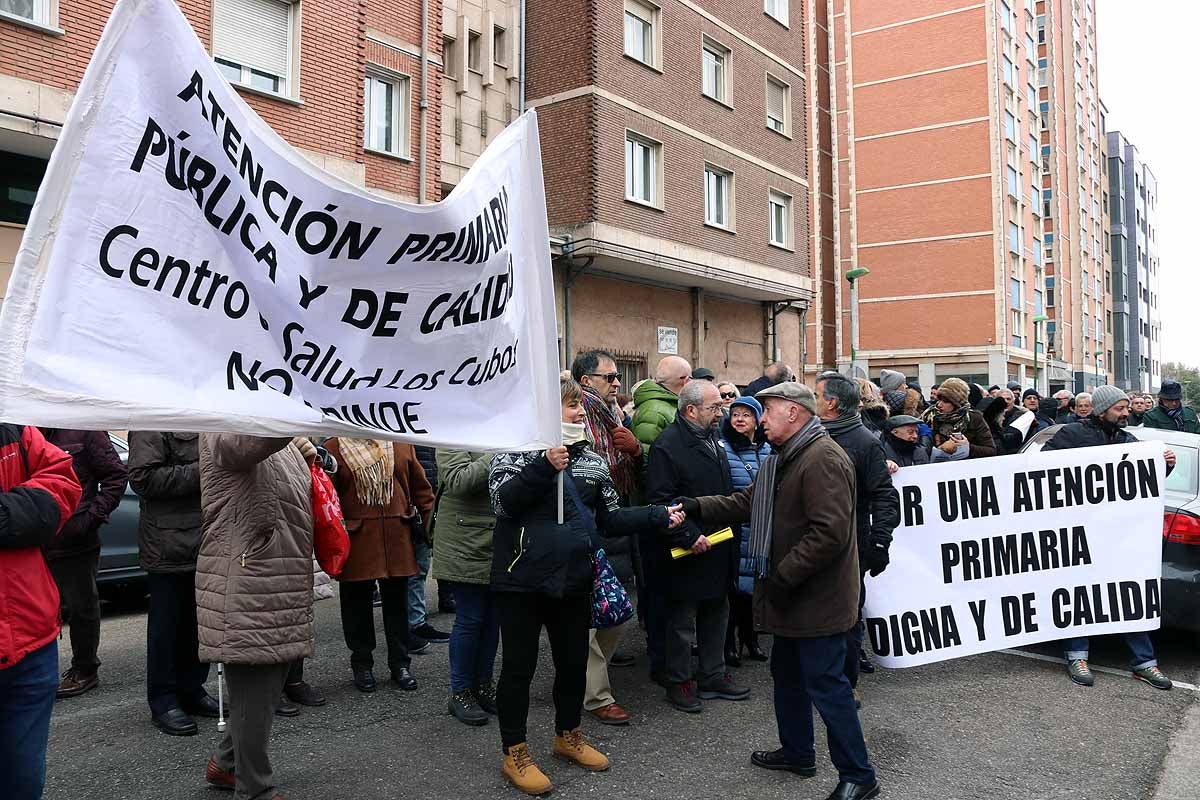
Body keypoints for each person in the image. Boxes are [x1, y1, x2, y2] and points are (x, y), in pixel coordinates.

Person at [677, 382, 881, 800]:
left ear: (792, 412)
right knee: (786, 676)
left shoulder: (822, 458)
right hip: (793, 596)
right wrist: (696, 505)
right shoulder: (784, 458)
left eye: (767, 410)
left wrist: (782, 577)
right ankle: (797, 753)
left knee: (827, 686)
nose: (760, 418)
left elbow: (829, 534)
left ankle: (860, 776)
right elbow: (746, 501)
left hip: (815, 598)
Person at [488, 379, 682, 795]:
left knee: (574, 664)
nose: (579, 413)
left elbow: (610, 519)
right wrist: (543, 465)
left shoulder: (591, 461)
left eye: (578, 405)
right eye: (571, 406)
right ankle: (516, 751)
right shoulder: (512, 453)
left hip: (575, 580)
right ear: (542, 410)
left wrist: (656, 514)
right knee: (518, 669)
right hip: (520, 582)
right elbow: (503, 504)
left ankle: (568, 735)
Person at [198, 435, 319, 798]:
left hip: (278, 576)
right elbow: (238, 446)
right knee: (256, 685)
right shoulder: (222, 419)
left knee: (264, 688)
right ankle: (255, 790)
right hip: (251, 577)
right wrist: (291, 418)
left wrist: (309, 451)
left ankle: (227, 763)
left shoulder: (280, 435)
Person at [1040, 386, 1176, 691]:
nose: (1126, 413)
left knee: (1128, 594)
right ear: (1102, 410)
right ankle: (1077, 656)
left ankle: (1144, 663)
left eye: (1127, 408)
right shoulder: (1070, 435)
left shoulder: (1130, 441)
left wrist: (1165, 465)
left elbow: (1145, 484)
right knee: (1078, 595)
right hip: (1078, 534)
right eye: (1119, 409)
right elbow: (1041, 473)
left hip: (1118, 537)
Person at [646, 380, 749, 713]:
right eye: (714, 407)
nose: (720, 413)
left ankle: (712, 673)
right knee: (682, 621)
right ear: (690, 410)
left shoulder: (712, 438)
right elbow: (661, 501)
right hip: (687, 550)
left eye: (720, 406)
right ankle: (678, 681)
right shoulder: (668, 445)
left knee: (717, 612)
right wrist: (688, 536)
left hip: (719, 545)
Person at [0, 423, 82, 800]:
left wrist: (7, 513)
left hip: (30, 641)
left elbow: (64, 481)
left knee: (22, 780)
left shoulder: (11, 428)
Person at [325, 437, 433, 694]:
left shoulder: (400, 444)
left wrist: (429, 528)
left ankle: (400, 664)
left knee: (398, 606)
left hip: (397, 536)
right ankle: (362, 664)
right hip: (357, 539)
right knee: (356, 607)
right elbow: (329, 497)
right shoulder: (334, 447)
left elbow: (421, 489)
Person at [127, 431, 217, 736]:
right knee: (166, 629)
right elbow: (143, 479)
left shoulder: (196, 411)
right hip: (167, 544)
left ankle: (193, 689)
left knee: (197, 623)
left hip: (203, 538)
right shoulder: (152, 419)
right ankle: (164, 700)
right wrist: (206, 468)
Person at [814, 373, 900, 688]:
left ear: (832, 403)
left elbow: (884, 496)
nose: (813, 399)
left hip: (851, 545)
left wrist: (879, 543)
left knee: (846, 616)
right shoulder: (811, 434)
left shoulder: (864, 442)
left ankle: (844, 684)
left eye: (817, 393)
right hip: (813, 541)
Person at [571, 349, 641, 725]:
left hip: (611, 518)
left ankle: (590, 681)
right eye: (609, 377)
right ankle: (595, 696)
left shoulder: (612, 414)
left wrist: (636, 450)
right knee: (592, 612)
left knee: (610, 609)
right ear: (586, 382)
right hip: (589, 523)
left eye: (618, 377)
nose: (617, 383)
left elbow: (622, 463)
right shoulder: (578, 415)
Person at [39, 428, 127, 700]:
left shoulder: (81, 428)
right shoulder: (20, 429)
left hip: (75, 541)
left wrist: (89, 520)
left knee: (81, 607)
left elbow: (115, 475)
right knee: (36, 612)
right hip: (31, 540)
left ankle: (85, 669)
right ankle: (36, 676)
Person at [629, 355, 691, 684]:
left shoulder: (665, 407)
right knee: (657, 590)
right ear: (680, 382)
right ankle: (661, 659)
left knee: (665, 590)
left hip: (663, 509)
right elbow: (649, 465)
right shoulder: (656, 411)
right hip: (657, 513)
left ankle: (667, 654)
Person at [434, 449, 500, 726]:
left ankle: (483, 685)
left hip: (497, 539)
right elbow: (458, 480)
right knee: (470, 619)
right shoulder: (454, 431)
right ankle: (460, 692)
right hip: (464, 541)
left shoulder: (497, 425)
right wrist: (499, 454)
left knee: (492, 621)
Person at [720, 396, 772, 666]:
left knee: (754, 588)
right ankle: (729, 644)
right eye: (735, 414)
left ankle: (750, 640)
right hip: (736, 525)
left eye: (746, 415)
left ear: (757, 420)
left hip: (761, 527)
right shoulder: (723, 447)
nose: (739, 419)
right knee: (733, 589)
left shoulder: (768, 449)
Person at [408, 445, 449, 651]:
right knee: (416, 569)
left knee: (421, 566)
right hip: (415, 506)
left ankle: (417, 619)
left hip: (428, 502)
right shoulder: (410, 437)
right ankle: (415, 622)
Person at [415, 445, 455, 615]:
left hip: (440, 494)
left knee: (445, 551)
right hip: (420, 498)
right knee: (419, 558)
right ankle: (416, 615)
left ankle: (448, 598)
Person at [921, 377, 997, 461]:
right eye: (939, 400)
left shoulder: (974, 417)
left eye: (946, 401)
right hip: (936, 469)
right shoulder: (930, 416)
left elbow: (991, 450)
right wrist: (940, 448)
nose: (939, 405)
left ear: (957, 403)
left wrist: (967, 447)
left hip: (965, 470)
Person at [630, 355, 692, 453]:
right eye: (691, 379)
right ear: (686, 381)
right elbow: (647, 457)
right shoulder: (654, 411)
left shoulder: (670, 403)